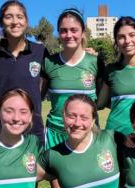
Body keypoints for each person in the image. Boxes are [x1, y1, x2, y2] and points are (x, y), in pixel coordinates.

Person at [0, 0, 48, 144]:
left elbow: (47, 81)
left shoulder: (40, 51)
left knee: (34, 166)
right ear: (1, 23)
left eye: (20, 17)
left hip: (32, 128)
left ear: (26, 22)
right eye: (8, 17)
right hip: (0, 128)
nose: (15, 22)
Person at [42, 8, 104, 149]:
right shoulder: (48, 63)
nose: (69, 35)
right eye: (63, 30)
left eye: (74, 30)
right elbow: (36, 98)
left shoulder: (95, 62)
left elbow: (101, 102)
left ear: (83, 32)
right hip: (55, 135)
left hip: (87, 133)